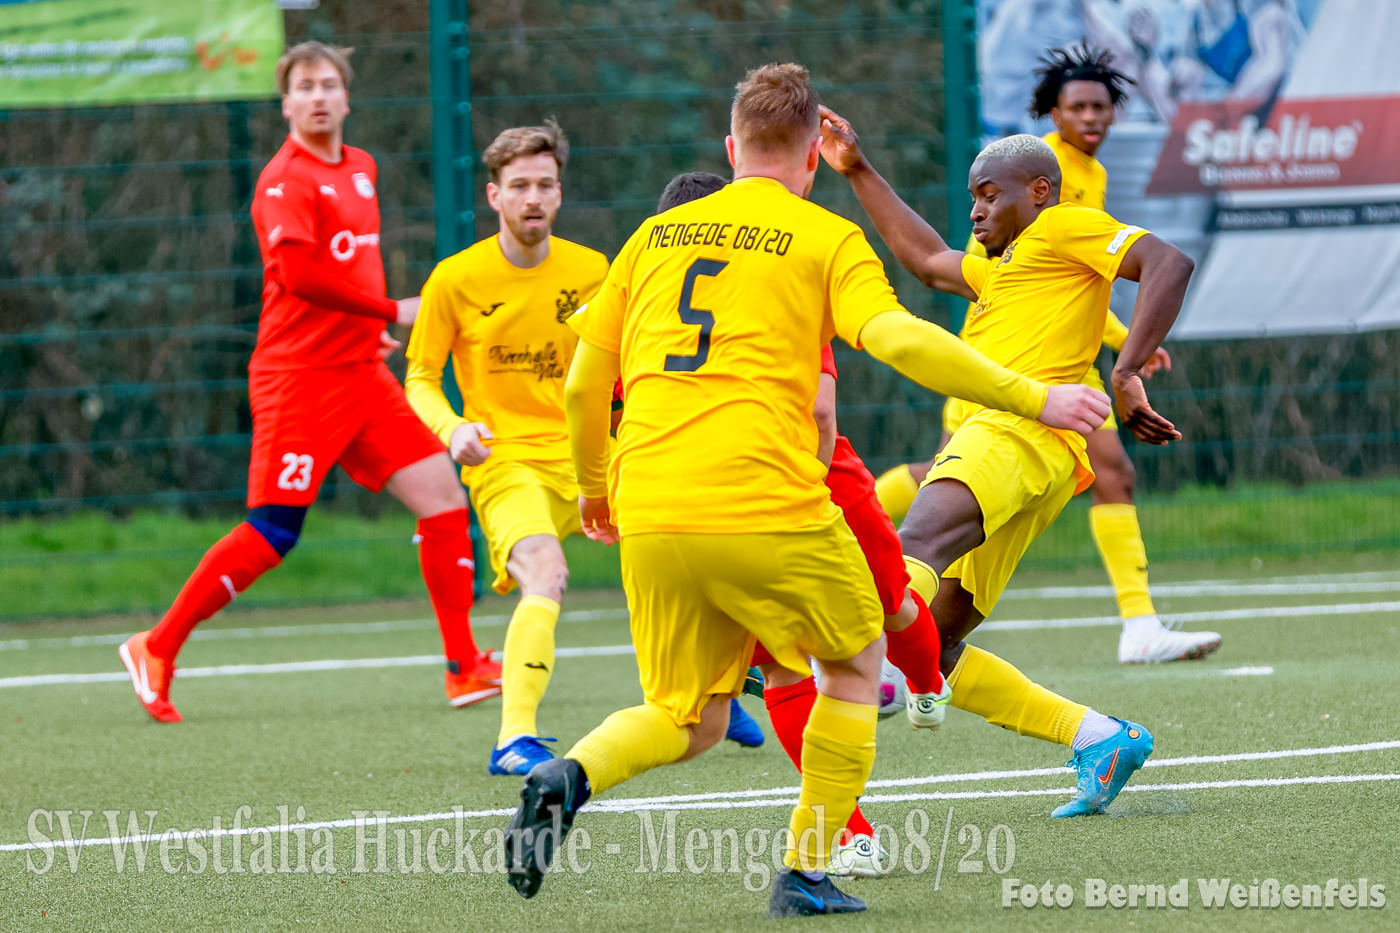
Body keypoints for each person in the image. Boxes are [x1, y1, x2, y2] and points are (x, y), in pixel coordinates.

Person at [502, 63, 1111, 917]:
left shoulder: (651, 238)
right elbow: (899, 339)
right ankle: (807, 867)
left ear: (731, 148)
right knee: (855, 664)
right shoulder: (824, 236)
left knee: (688, 717)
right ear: (812, 159)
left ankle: (570, 775)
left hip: (649, 504)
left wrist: (595, 491)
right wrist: (1035, 396)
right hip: (764, 498)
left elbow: (580, 388)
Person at [821, 109, 1194, 819]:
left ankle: (834, 664)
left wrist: (1126, 370)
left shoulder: (1061, 226)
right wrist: (859, 169)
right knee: (934, 638)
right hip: (1037, 454)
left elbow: (1167, 262)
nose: (976, 210)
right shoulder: (1004, 270)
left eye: (990, 195)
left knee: (911, 550)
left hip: (1011, 434)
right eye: (973, 197)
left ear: (1040, 192)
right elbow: (925, 259)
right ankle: (1098, 737)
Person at [118, 42, 496, 722]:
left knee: (443, 496)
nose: (318, 96)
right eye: (304, 86)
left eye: (328, 84)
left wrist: (367, 330)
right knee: (274, 531)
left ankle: (463, 665)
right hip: (297, 380)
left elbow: (351, 263)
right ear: (285, 103)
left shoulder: (361, 166)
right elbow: (297, 277)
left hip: (360, 373)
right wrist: (390, 311)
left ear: (347, 97)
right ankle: (156, 645)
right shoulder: (283, 181)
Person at [873, 44, 1221, 664]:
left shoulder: (1071, 197)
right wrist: (1125, 358)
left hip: (1044, 390)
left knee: (939, 560)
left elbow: (1095, 274)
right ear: (1055, 115)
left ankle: (855, 652)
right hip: (1012, 383)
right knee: (938, 560)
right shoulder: (1037, 197)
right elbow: (952, 264)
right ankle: (858, 552)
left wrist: (1124, 351)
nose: (1090, 117)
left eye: (1100, 106)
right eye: (1077, 106)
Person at [652, 171, 954, 879]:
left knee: (783, 665)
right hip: (805, 480)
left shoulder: (643, 297)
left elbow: (605, 404)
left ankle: (851, 833)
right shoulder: (776, 280)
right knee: (888, 606)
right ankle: (924, 689)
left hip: (707, 495)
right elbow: (819, 412)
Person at [405, 121, 609, 775]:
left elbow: (617, 369)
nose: (533, 198)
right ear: (494, 195)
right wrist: (453, 429)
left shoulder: (593, 271)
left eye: (545, 185)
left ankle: (718, 689)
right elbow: (420, 377)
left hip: (591, 457)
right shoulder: (455, 279)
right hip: (505, 460)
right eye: (519, 186)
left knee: (689, 544)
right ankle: (514, 737)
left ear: (560, 192)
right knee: (546, 572)